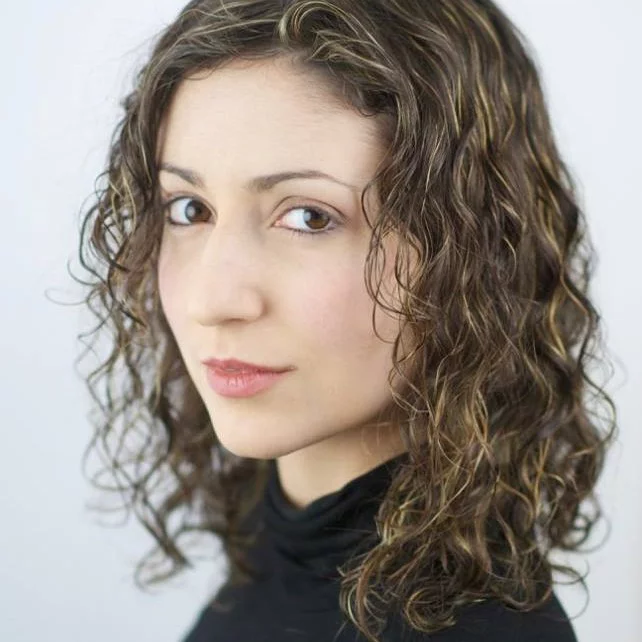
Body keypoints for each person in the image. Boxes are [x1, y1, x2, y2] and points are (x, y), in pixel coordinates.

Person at [74, 0, 617, 640]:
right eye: (190, 209)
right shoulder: (271, 563)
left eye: (309, 217)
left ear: (473, 251)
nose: (211, 299)